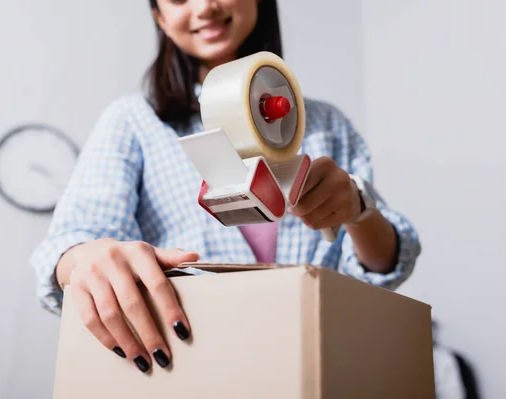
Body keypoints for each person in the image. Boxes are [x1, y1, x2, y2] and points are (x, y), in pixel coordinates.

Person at [29, 0, 421, 374]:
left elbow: (386, 269)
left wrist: (359, 208)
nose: (204, 7)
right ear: (160, 17)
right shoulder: (133, 122)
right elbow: (67, 248)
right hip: (195, 369)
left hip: (317, 364)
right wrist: (84, 258)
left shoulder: (325, 125)